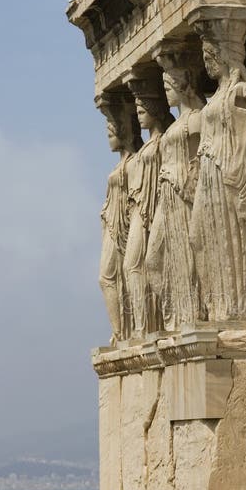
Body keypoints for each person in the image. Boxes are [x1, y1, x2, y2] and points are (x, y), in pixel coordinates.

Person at [190, 31, 246, 321]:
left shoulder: (240, 92)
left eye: (211, 56)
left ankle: (234, 310)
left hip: (224, 172)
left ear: (226, 56)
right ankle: (216, 307)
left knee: (225, 235)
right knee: (199, 236)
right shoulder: (220, 95)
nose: (207, 63)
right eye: (206, 57)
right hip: (208, 172)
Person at [146, 49, 206, 330]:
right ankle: (177, 316)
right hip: (166, 195)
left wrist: (187, 190)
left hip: (182, 194)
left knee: (187, 257)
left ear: (183, 86)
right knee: (154, 261)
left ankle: (191, 315)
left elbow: (199, 165)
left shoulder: (195, 120)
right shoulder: (179, 124)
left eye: (169, 86)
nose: (166, 92)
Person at [123, 93, 173, 336]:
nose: (139, 115)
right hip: (140, 208)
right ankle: (144, 327)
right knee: (132, 266)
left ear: (155, 111)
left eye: (143, 111)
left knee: (149, 263)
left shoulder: (163, 141)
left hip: (156, 206)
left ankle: (169, 316)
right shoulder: (146, 147)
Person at [98, 96, 139, 344]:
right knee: (109, 277)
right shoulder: (122, 164)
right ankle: (122, 331)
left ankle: (126, 331)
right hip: (112, 225)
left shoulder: (134, 162)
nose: (108, 135)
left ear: (124, 130)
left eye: (112, 129)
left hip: (124, 224)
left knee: (112, 276)